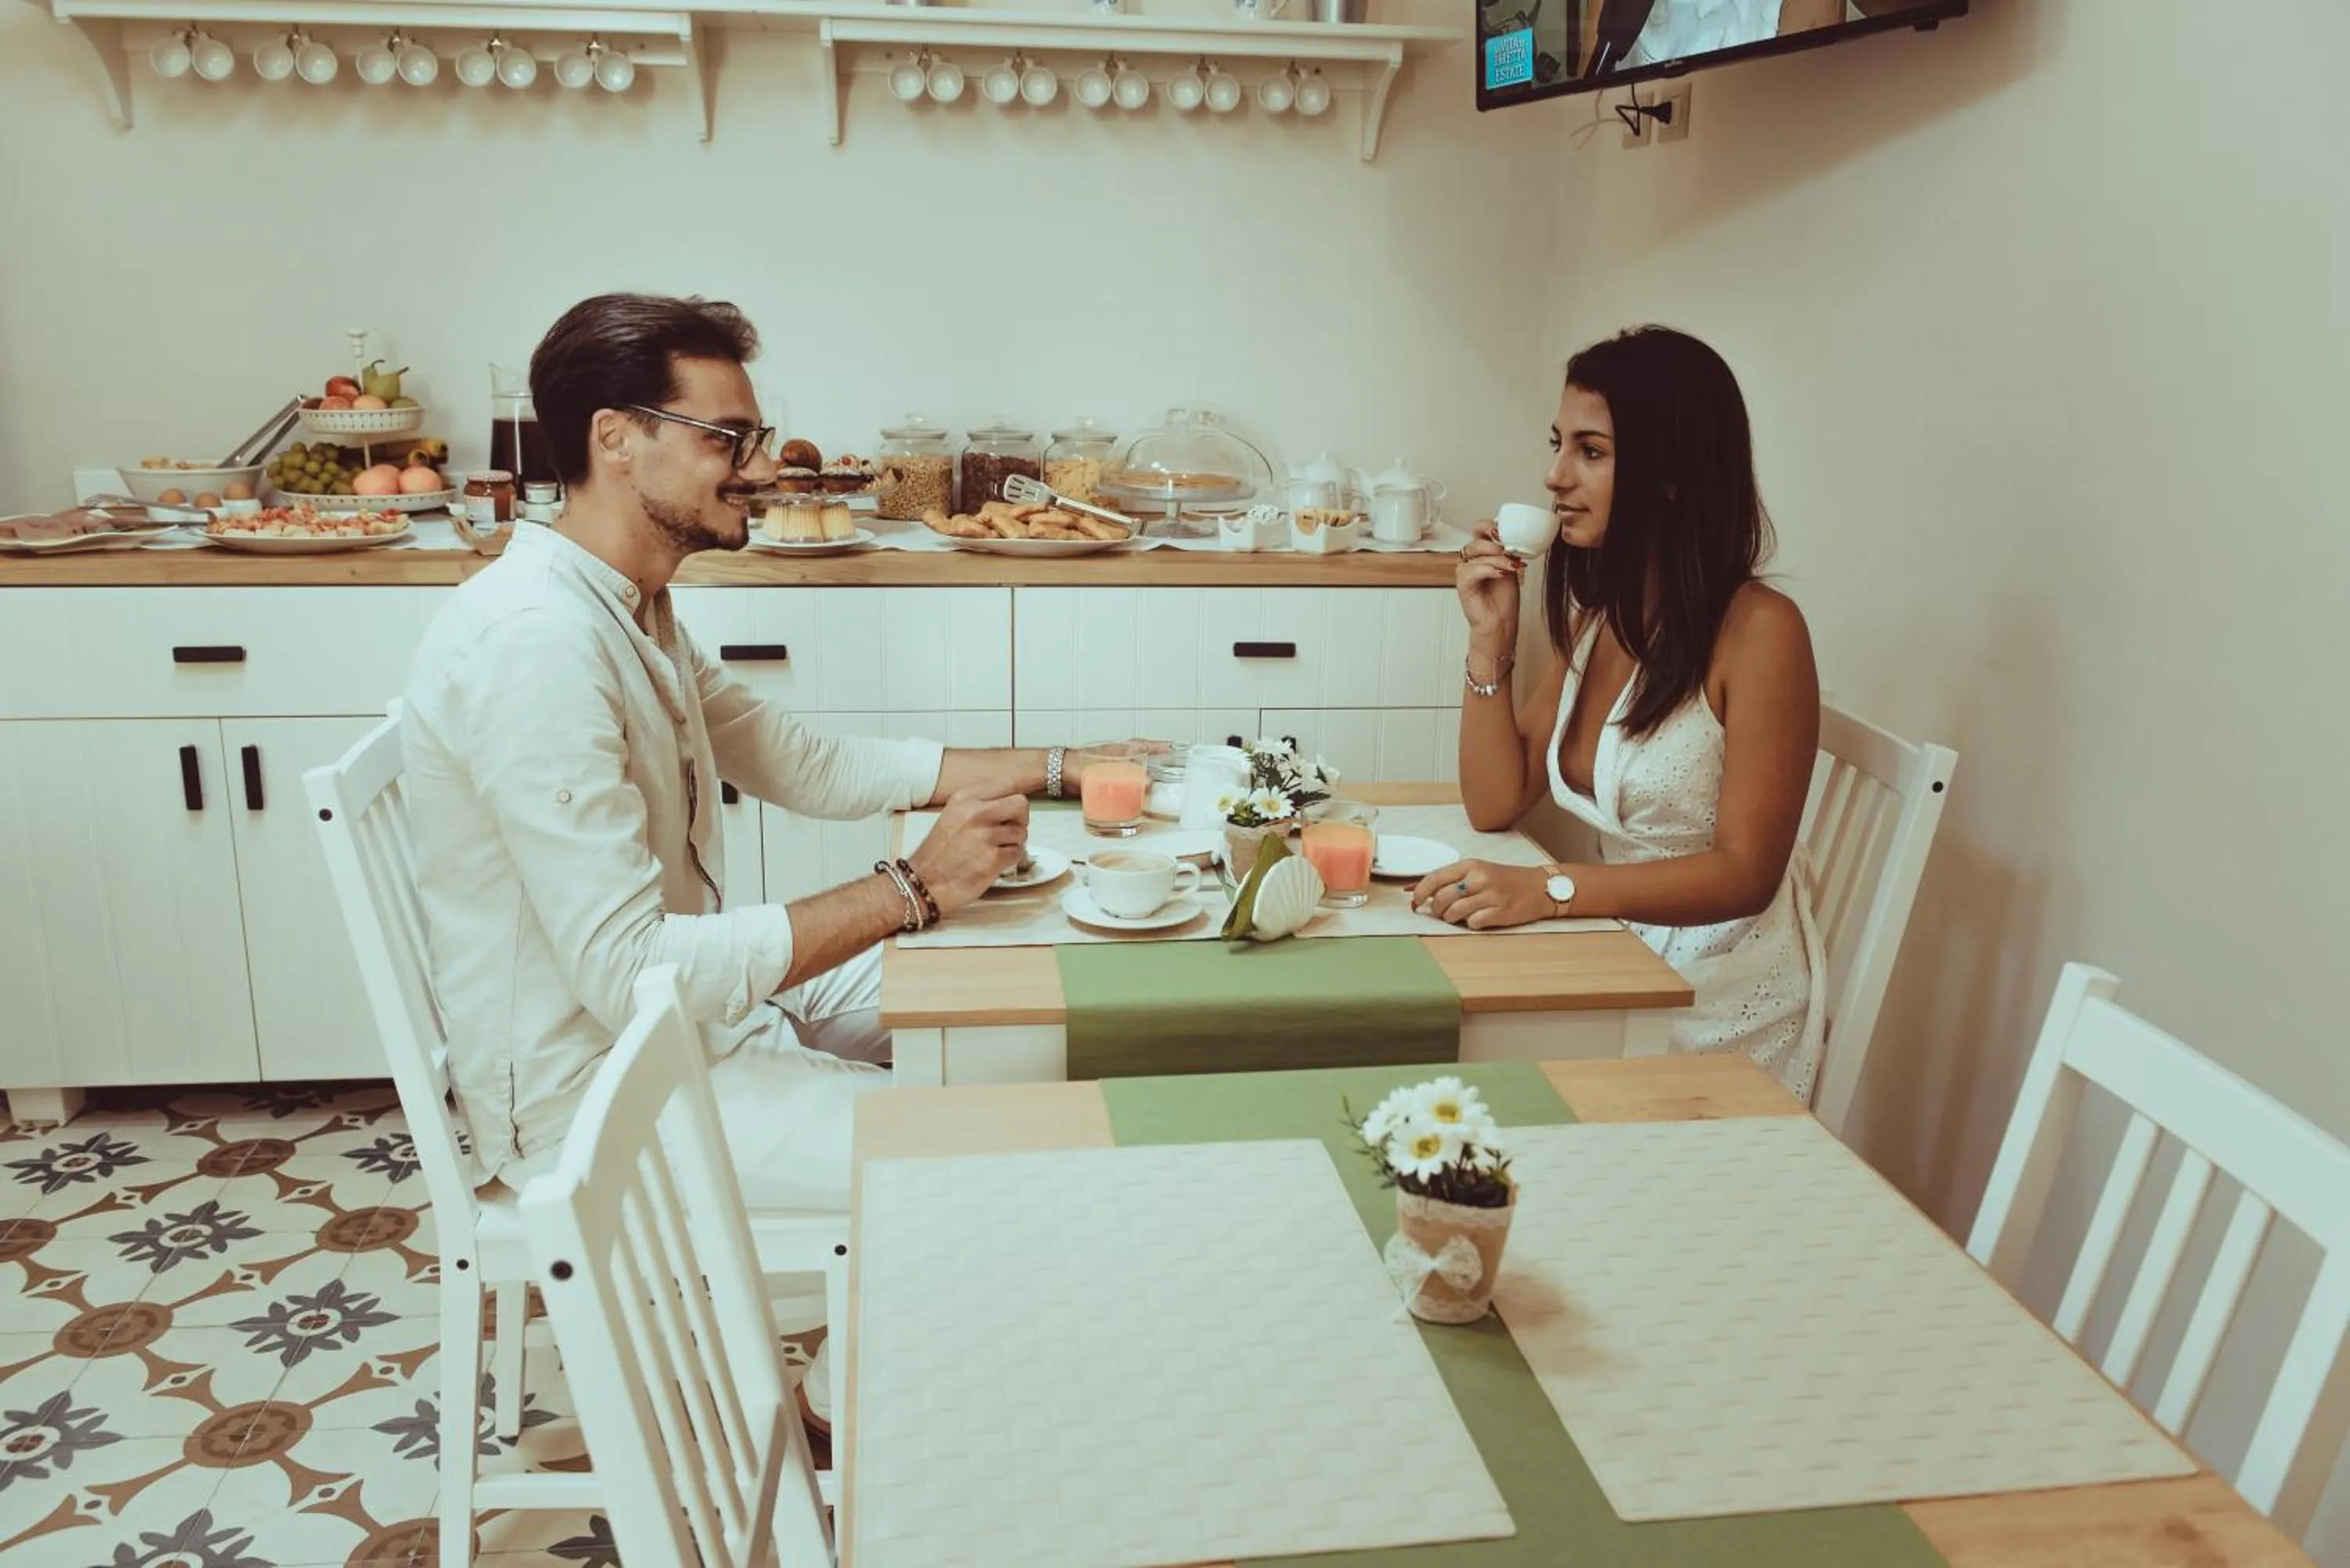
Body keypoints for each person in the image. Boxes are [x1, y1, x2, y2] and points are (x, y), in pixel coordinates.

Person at [402, 291, 1131, 1221]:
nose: (757, 468)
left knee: (1019, 984)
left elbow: (799, 760)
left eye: (756, 436)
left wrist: (1063, 764)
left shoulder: (626, 602)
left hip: (695, 1024)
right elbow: (629, 971)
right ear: (616, 438)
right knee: (991, 1168)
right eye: (726, 439)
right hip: (599, 1103)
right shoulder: (536, 642)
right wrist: (910, 887)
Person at [1415, 326, 1826, 1101]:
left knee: (1479, 1080)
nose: (1554, 475)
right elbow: (1495, 799)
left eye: (1591, 452)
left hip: (1718, 993)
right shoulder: (1605, 615)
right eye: (1558, 443)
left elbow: (1747, 872)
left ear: (1672, 474)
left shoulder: (1763, 630)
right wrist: (1490, 642)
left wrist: (1552, 891)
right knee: (1445, 1054)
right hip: (1617, 947)